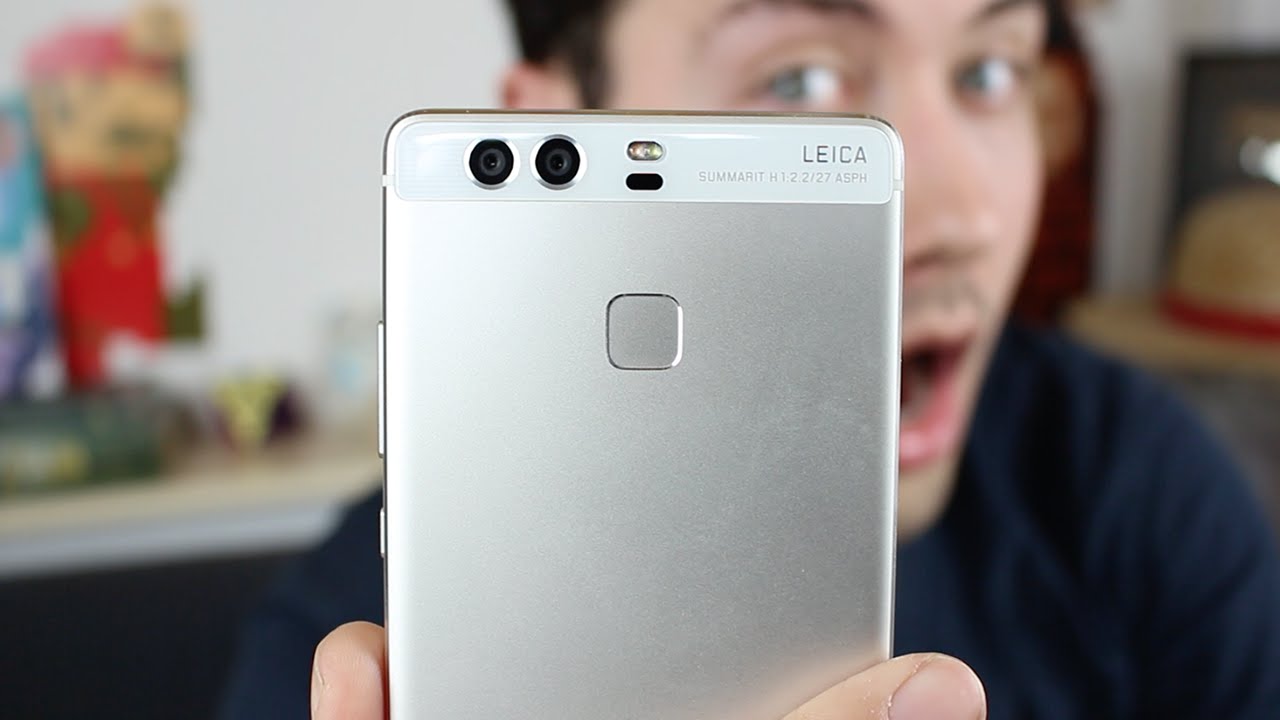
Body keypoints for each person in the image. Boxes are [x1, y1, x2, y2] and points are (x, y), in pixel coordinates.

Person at [219, 1, 1280, 718]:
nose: (963, 211)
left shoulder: (1144, 489)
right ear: (546, 120)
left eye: (989, 71)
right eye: (798, 78)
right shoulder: (355, 655)